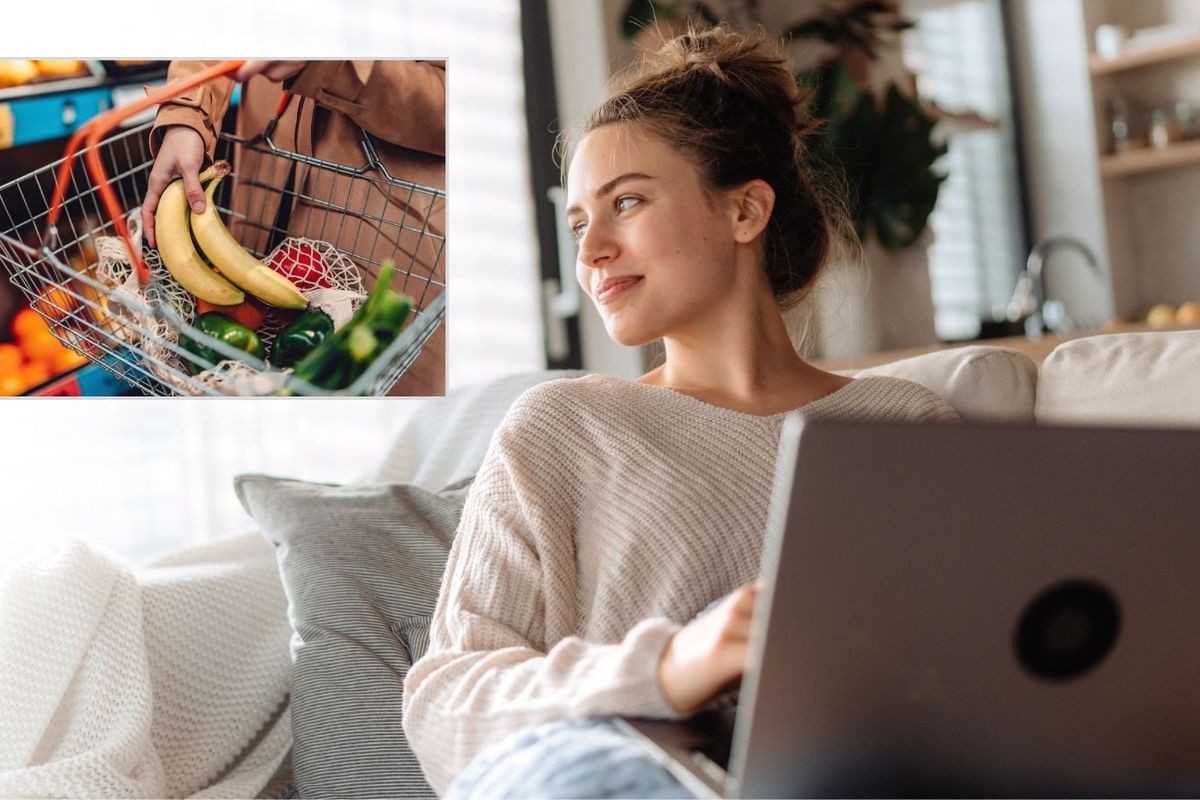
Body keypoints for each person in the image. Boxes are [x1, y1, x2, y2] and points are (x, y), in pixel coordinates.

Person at [402, 26, 959, 798]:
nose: (591, 250)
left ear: (745, 211)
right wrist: (669, 666)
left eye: (626, 202)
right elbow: (446, 708)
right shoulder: (563, 426)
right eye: (578, 223)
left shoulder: (908, 423)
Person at [141, 60, 446, 395]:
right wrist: (188, 113)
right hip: (263, 169)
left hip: (388, 224)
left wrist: (331, 64)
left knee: (360, 393)